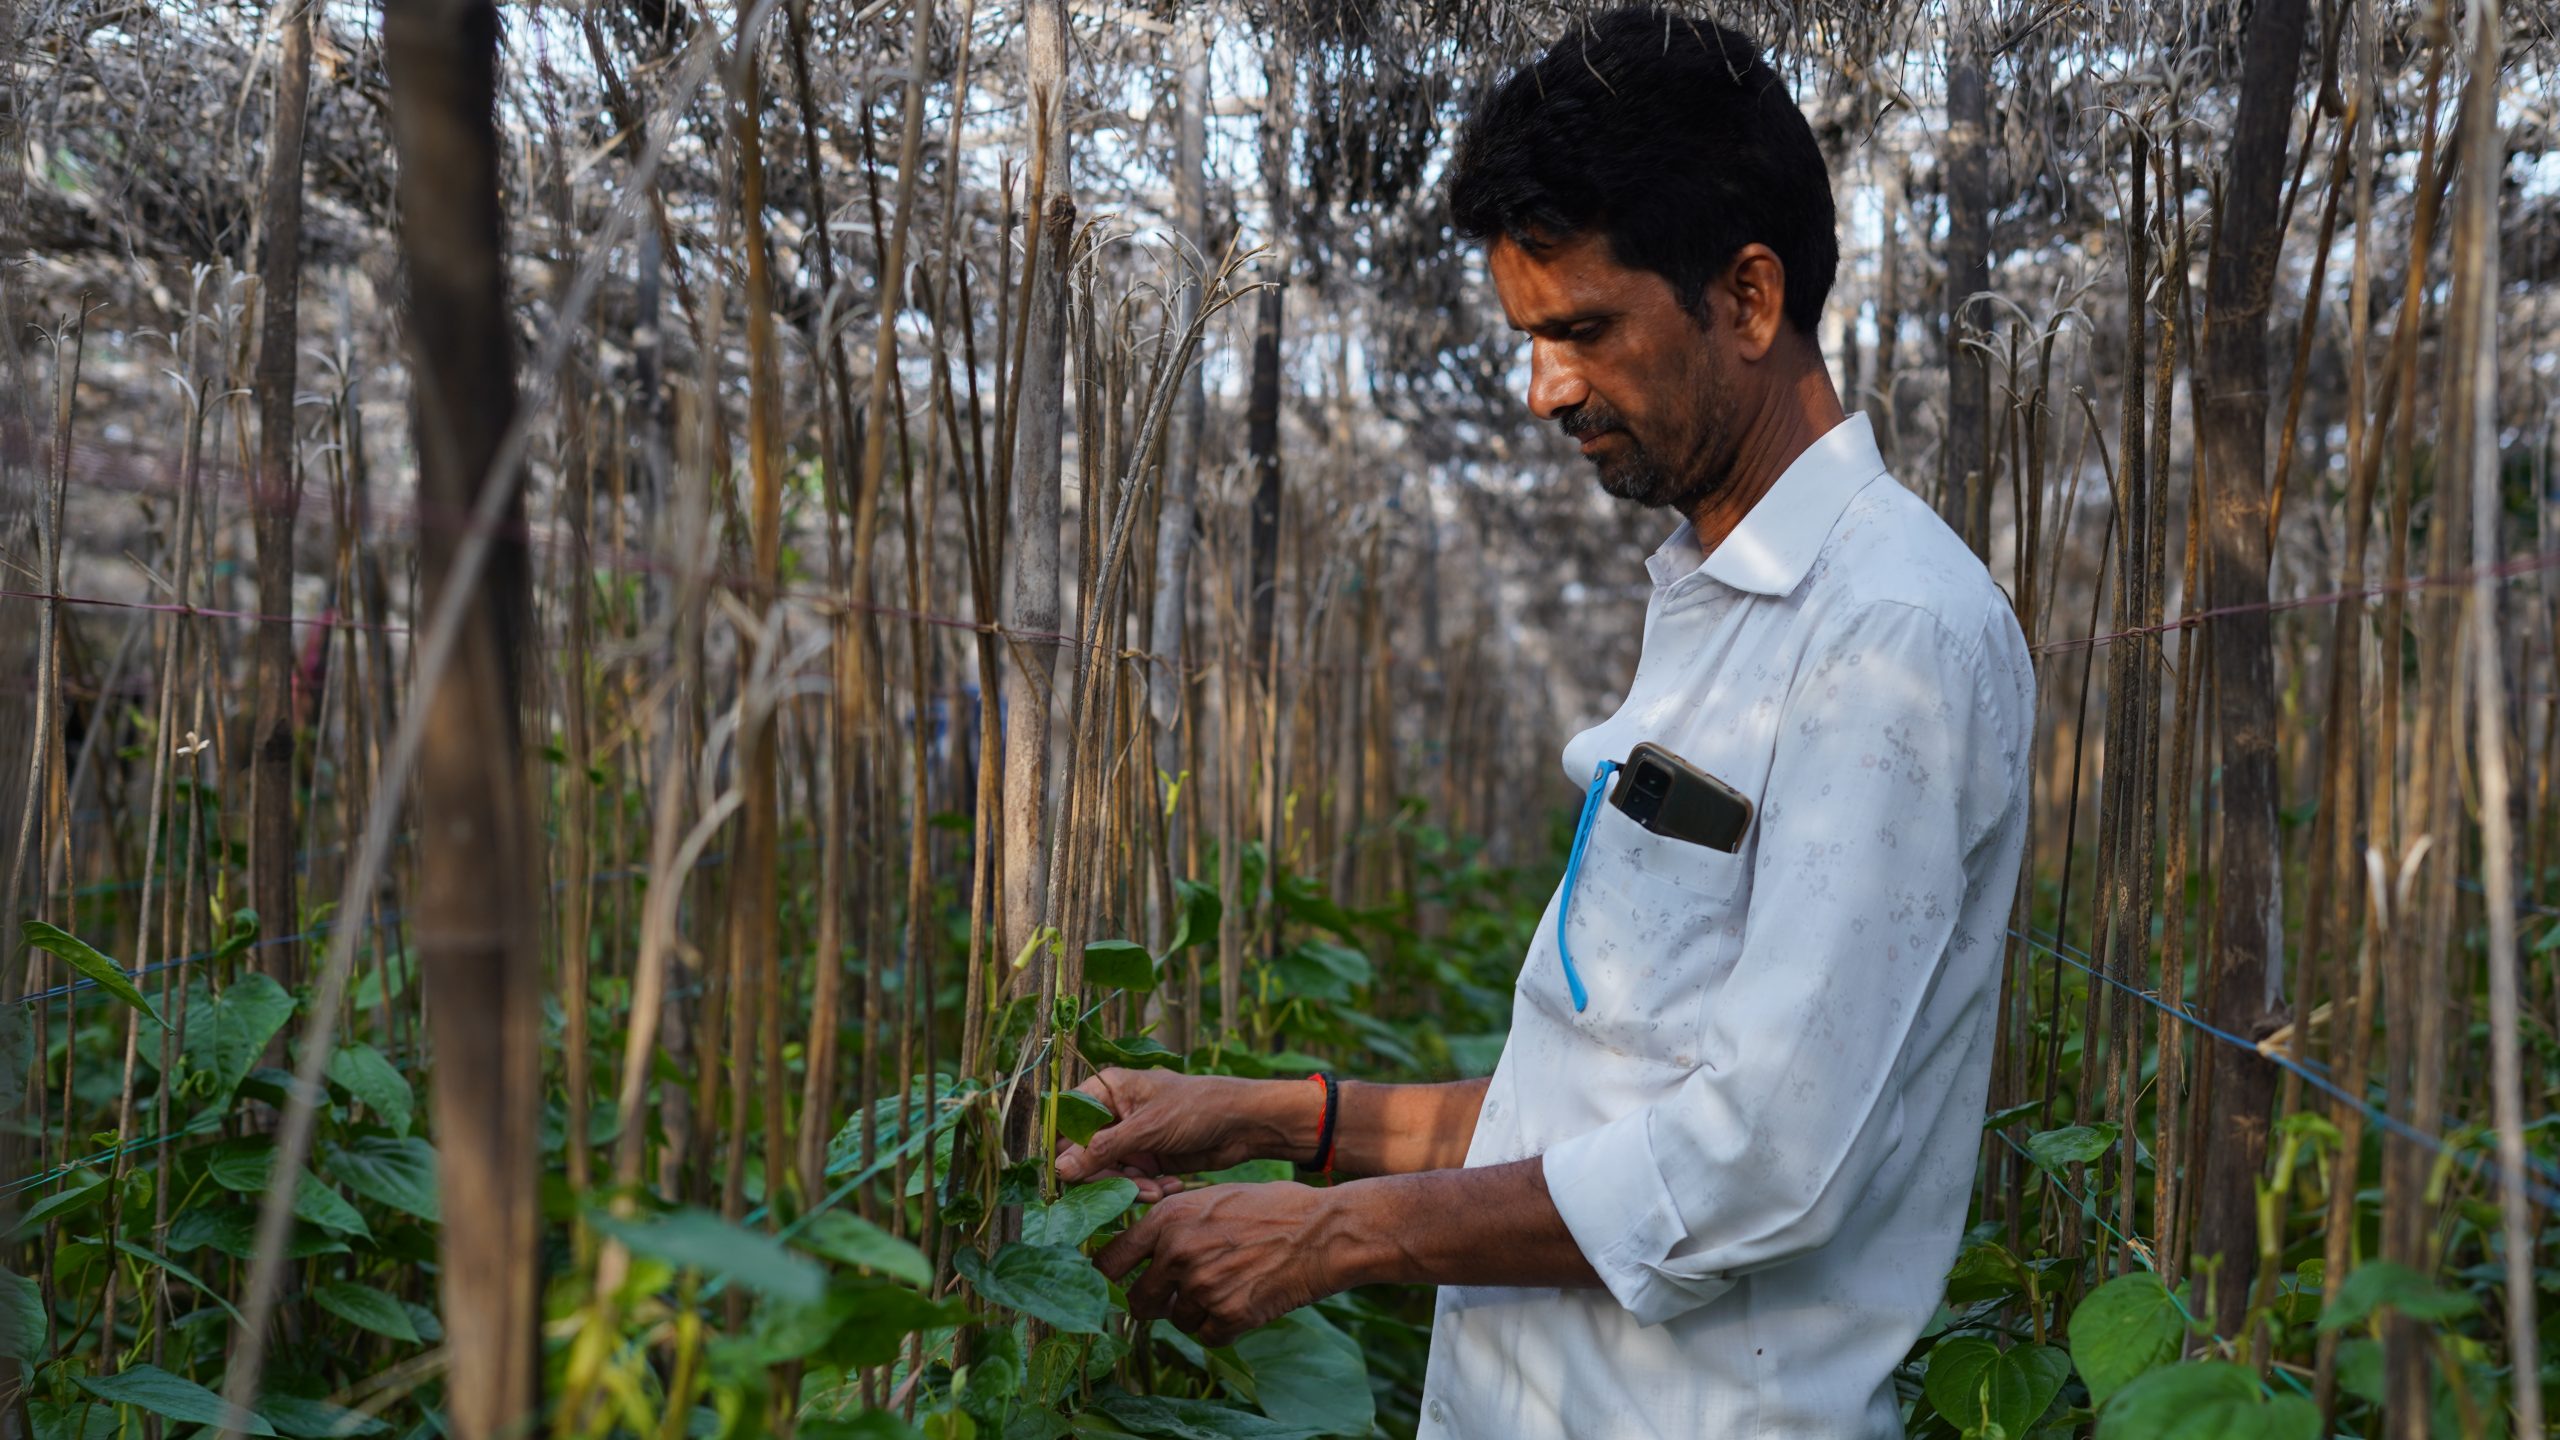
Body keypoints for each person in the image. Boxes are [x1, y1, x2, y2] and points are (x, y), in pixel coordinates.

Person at [1056, 10, 2035, 1436]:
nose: (1544, 389)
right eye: (1530, 336)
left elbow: (1754, 1162)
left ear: (1748, 299)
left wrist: (1328, 1236)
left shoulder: (1888, 636)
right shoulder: (1724, 607)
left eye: (1580, 330)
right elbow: (1587, 1110)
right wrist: (1272, 1116)